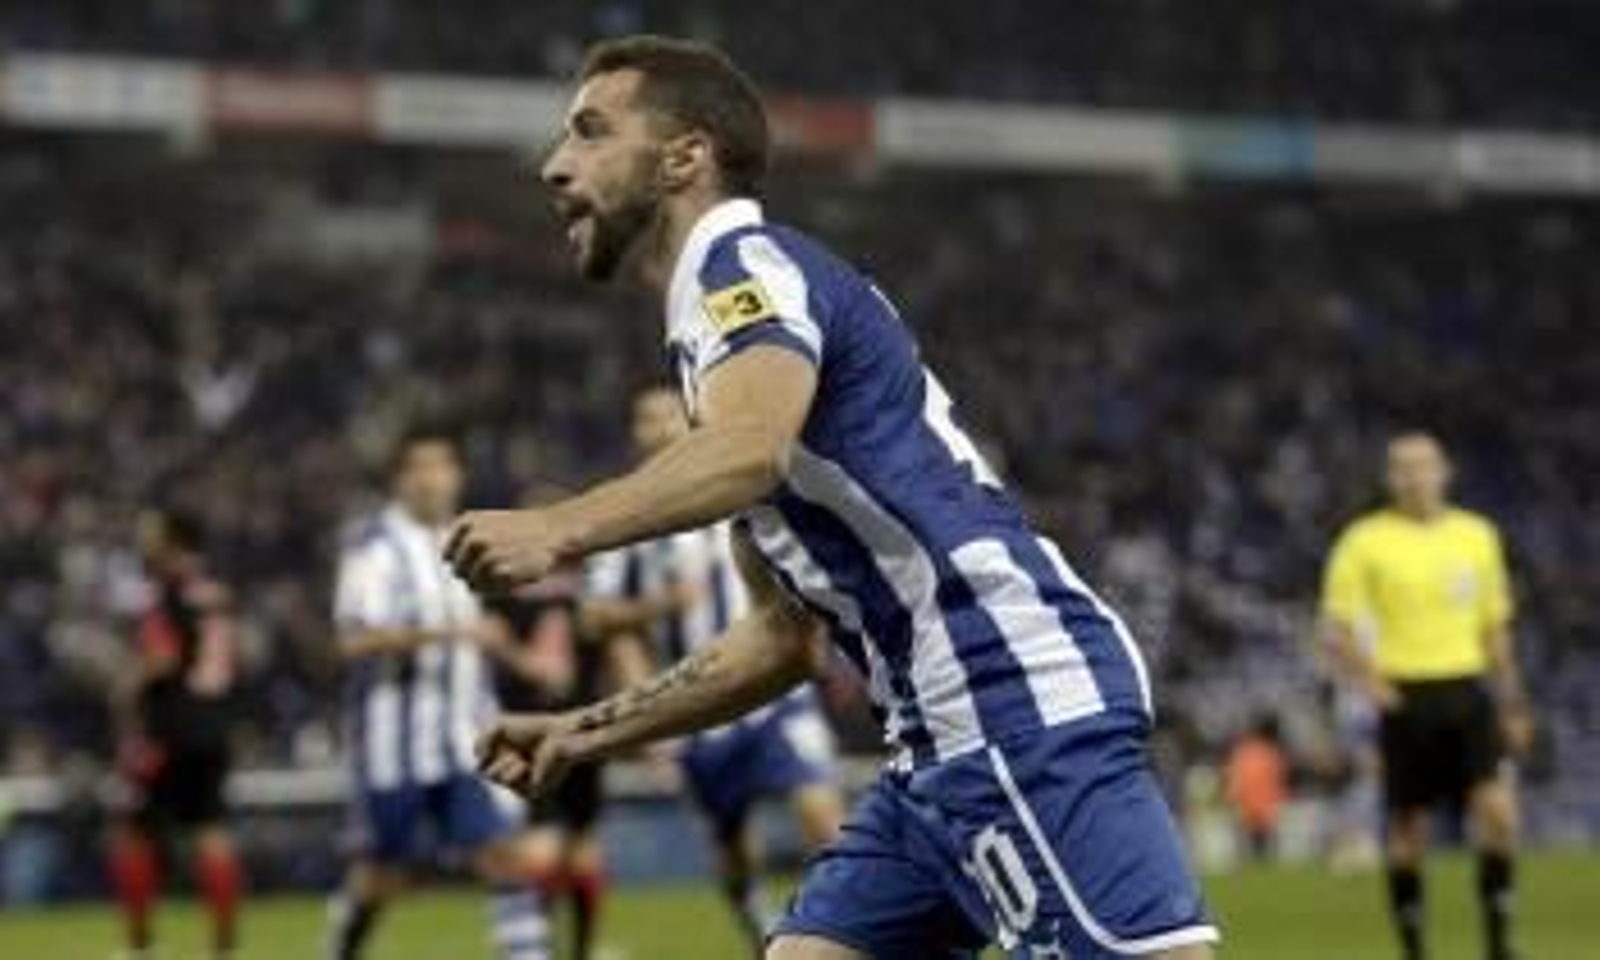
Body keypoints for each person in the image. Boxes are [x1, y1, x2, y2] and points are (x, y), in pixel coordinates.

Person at [450, 36, 1215, 959]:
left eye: (590, 132)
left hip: (1013, 702)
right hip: (928, 747)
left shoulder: (748, 274)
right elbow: (781, 638)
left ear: (685, 155)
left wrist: (555, 528)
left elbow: (749, 453)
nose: (553, 165)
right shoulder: (716, 354)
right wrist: (584, 731)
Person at [588, 386, 845, 951]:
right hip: (704, 704)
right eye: (644, 419)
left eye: (666, 416)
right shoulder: (627, 516)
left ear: (691, 419)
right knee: (732, 846)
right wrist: (650, 699)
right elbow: (599, 619)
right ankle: (759, 926)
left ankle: (846, 933)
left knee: (822, 814)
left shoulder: (745, 482)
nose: (656, 429)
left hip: (777, 690)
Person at [325, 427, 549, 960]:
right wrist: (448, 634)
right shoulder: (374, 547)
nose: (431, 480)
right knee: (381, 877)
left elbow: (480, 635)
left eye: (441, 467)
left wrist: (521, 660)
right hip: (393, 744)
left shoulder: (466, 538)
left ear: (458, 476)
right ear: (399, 480)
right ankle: (339, 948)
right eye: (418, 468)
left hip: (466, 735)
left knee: (504, 857)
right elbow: (354, 641)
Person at [1320, 431, 1532, 960]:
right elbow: (1336, 628)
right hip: (1405, 694)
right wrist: (1372, 683)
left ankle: (1499, 944)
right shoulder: (1364, 540)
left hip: (1467, 688)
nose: (1415, 476)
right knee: (1408, 831)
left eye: (1425, 465)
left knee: (1500, 814)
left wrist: (1512, 702)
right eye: (1403, 467)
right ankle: (1415, 950)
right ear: (1389, 478)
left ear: (1445, 471)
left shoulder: (1477, 535)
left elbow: (1496, 629)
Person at [109, 508, 245, 960]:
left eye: (151, 533)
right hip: (215, 725)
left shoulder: (166, 594)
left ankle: (139, 946)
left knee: (133, 834)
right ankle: (224, 949)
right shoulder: (218, 593)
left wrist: (127, 684)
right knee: (212, 832)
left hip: (168, 728)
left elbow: (162, 658)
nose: (142, 539)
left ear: (172, 542)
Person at [1223, 714, 1288, 862]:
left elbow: (1234, 778)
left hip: (1248, 806)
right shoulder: (1272, 752)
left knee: (1249, 847)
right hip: (1264, 806)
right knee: (1264, 847)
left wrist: (1232, 798)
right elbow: (1279, 779)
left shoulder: (1243, 751)